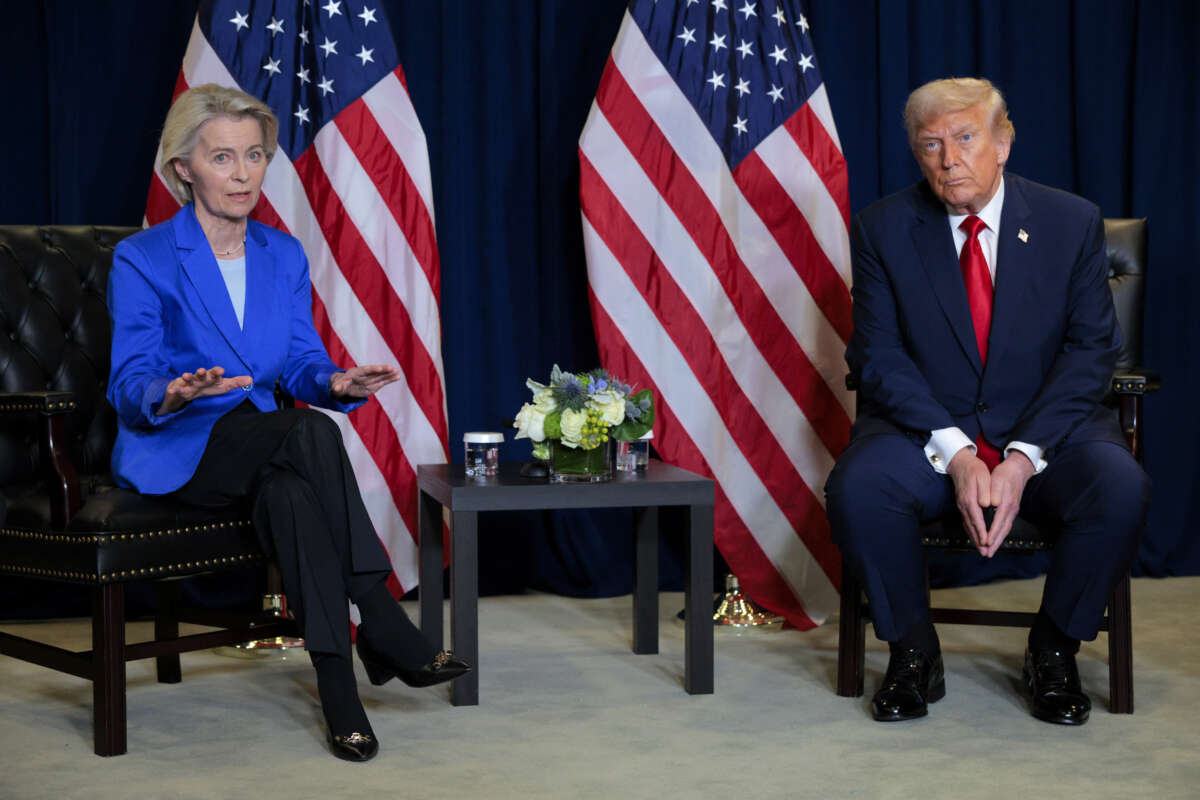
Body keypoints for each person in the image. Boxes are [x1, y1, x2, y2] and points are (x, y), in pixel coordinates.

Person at [107, 83, 467, 762]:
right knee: (311, 432)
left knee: (295, 493)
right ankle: (383, 619)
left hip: (271, 450)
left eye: (254, 155)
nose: (242, 173)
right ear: (185, 168)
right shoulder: (144, 258)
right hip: (185, 448)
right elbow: (129, 385)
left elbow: (300, 360)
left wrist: (333, 380)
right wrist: (177, 391)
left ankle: (340, 693)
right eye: (222, 157)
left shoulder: (282, 253)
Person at [825, 77, 1149, 726]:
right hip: (926, 433)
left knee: (1119, 486)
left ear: (1002, 143)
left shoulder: (1070, 222)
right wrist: (959, 451)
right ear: (916, 154)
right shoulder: (883, 228)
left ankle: (1053, 650)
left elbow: (1090, 352)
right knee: (858, 487)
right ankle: (915, 653)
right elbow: (877, 358)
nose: (950, 160)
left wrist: (1024, 456)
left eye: (966, 139)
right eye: (931, 145)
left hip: (1049, 432)